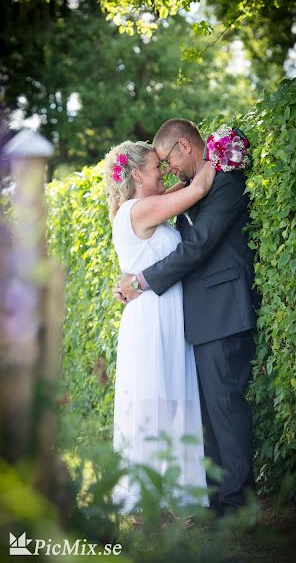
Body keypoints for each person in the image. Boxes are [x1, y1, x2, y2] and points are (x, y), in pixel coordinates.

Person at [114, 119, 259, 518]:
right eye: (158, 165)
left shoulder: (224, 183)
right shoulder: (195, 189)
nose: (169, 169)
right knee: (210, 414)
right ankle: (217, 501)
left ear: (184, 146)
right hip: (197, 317)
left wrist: (142, 280)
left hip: (224, 310)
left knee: (225, 408)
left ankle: (238, 505)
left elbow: (197, 246)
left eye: (168, 160)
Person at [104, 139, 216, 514]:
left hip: (161, 313)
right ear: (136, 175)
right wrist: (221, 149)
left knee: (168, 400)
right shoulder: (141, 209)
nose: (163, 171)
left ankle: (169, 493)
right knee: (157, 403)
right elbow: (198, 187)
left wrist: (183, 179)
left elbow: (181, 187)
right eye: (156, 166)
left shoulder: (135, 208)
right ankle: (149, 498)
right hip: (153, 318)